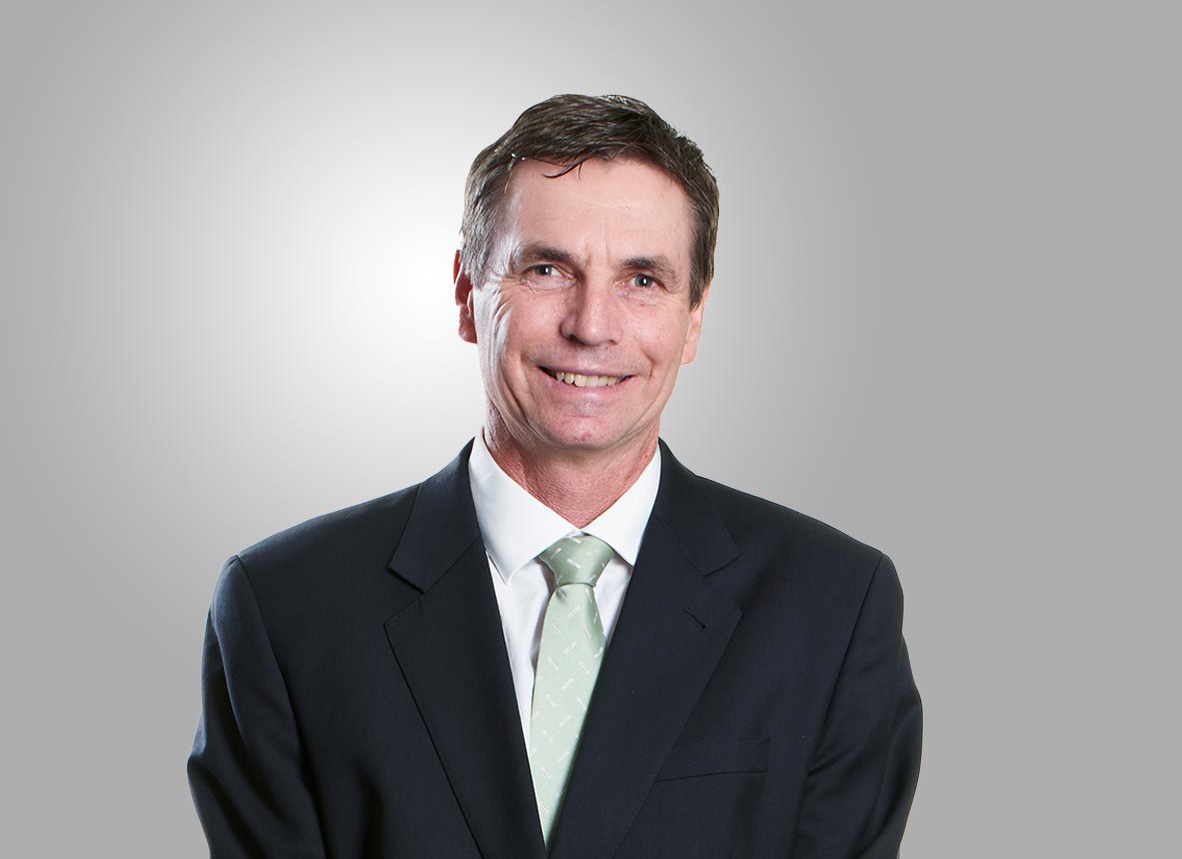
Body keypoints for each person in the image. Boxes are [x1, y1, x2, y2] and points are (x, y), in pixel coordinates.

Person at [187, 93, 922, 858]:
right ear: (467, 294)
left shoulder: (832, 610)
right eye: (546, 269)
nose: (592, 325)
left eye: (643, 280)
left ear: (695, 317)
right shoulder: (286, 609)